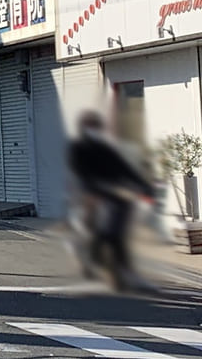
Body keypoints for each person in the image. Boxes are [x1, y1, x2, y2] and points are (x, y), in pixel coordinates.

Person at [67, 109, 156, 290]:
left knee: (115, 233)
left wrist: (144, 186)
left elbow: (123, 169)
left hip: (112, 195)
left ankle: (120, 272)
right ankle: (90, 257)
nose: (95, 130)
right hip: (90, 194)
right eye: (91, 127)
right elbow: (82, 174)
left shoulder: (105, 149)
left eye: (97, 127)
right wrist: (98, 189)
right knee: (97, 230)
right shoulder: (78, 148)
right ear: (84, 128)